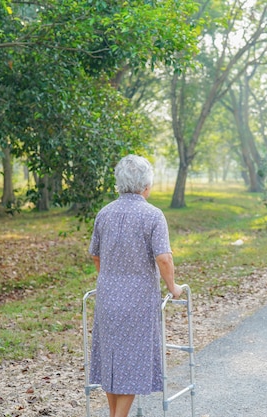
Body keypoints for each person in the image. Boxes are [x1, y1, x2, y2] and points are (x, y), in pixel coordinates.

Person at [88, 154, 183, 417]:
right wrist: (173, 287)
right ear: (146, 186)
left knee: (111, 360)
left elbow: (96, 255)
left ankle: (113, 414)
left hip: (107, 298)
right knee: (130, 363)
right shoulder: (153, 215)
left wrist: (109, 277)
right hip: (138, 301)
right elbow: (163, 258)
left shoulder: (104, 213)